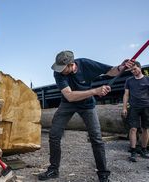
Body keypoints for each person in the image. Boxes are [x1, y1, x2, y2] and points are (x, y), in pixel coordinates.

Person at [38, 51, 134, 182]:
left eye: (63, 68)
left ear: (72, 64)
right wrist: (95, 91)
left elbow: (110, 71)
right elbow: (70, 96)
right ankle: (53, 169)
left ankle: (103, 175)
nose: (60, 71)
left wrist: (121, 67)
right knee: (54, 135)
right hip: (68, 104)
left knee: (97, 139)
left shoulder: (85, 64)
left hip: (87, 105)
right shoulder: (58, 73)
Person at [122, 61, 149, 162]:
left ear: (140, 67)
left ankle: (144, 150)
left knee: (145, 129)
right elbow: (126, 95)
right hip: (134, 107)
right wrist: (124, 107)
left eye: (135, 69)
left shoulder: (147, 79)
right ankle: (133, 151)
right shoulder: (129, 81)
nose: (133, 71)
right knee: (133, 129)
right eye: (131, 70)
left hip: (146, 107)